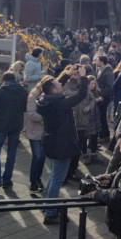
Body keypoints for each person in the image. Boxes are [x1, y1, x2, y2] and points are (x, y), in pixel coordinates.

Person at [37, 65, 88, 224]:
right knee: (57, 179)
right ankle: (51, 213)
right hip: (62, 145)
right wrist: (84, 77)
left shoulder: (45, 100)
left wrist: (67, 74)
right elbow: (81, 94)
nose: (61, 84)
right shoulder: (60, 103)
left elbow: (54, 84)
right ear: (54, 90)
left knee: (53, 176)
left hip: (51, 143)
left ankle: (47, 205)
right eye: (59, 85)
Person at [0, 72, 28, 192]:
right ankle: (7, 179)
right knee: (12, 153)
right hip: (16, 126)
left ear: (4, 80)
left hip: (0, 126)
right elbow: (25, 108)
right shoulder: (23, 91)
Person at [24, 81, 46, 193]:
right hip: (34, 132)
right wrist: (45, 118)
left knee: (42, 157)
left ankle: (38, 178)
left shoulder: (48, 97)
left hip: (44, 133)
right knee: (37, 156)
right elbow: (31, 114)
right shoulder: (33, 96)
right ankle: (33, 181)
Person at [96, 55, 115, 143]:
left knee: (102, 117)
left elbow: (109, 87)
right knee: (101, 116)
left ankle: (105, 135)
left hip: (104, 98)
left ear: (102, 61)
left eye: (97, 60)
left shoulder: (108, 72)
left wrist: (102, 96)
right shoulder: (100, 70)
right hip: (100, 97)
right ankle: (102, 134)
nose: (96, 61)